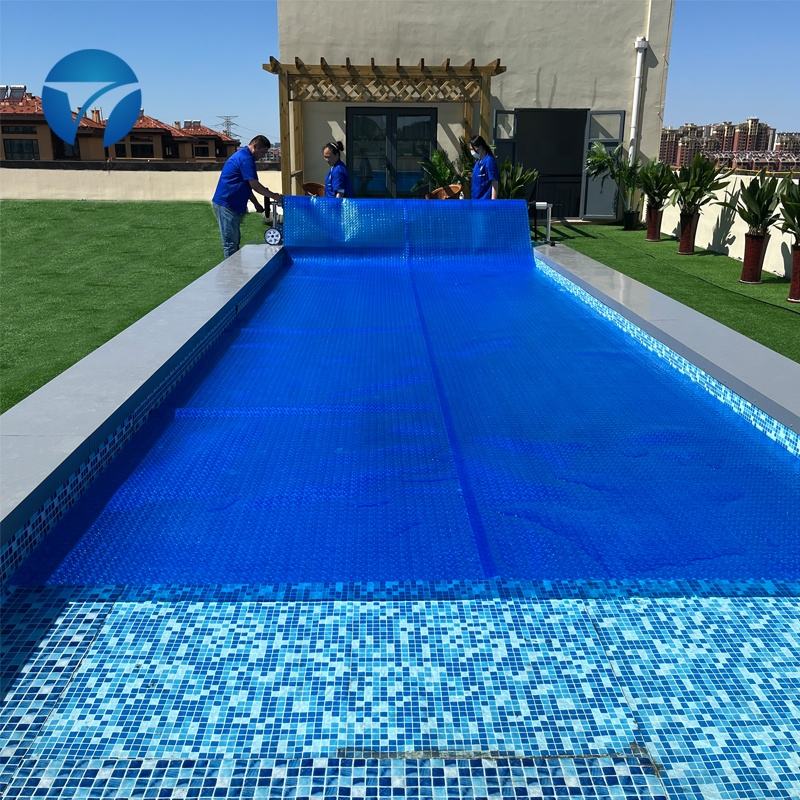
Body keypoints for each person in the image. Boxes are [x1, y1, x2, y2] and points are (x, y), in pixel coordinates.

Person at [212, 135, 281, 258]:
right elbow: (255, 185)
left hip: (233, 204)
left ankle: (235, 266)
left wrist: (256, 203)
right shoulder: (246, 159)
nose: (263, 156)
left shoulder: (245, 156)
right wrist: (275, 196)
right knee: (230, 243)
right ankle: (231, 270)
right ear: (255, 147)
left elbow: (246, 185)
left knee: (234, 240)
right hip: (226, 204)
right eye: (262, 152)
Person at [469, 135, 499, 200]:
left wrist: (493, 202)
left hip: (485, 202)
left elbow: (494, 183)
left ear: (480, 147)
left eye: (472, 149)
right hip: (475, 201)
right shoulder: (478, 162)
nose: (471, 151)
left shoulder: (489, 161)